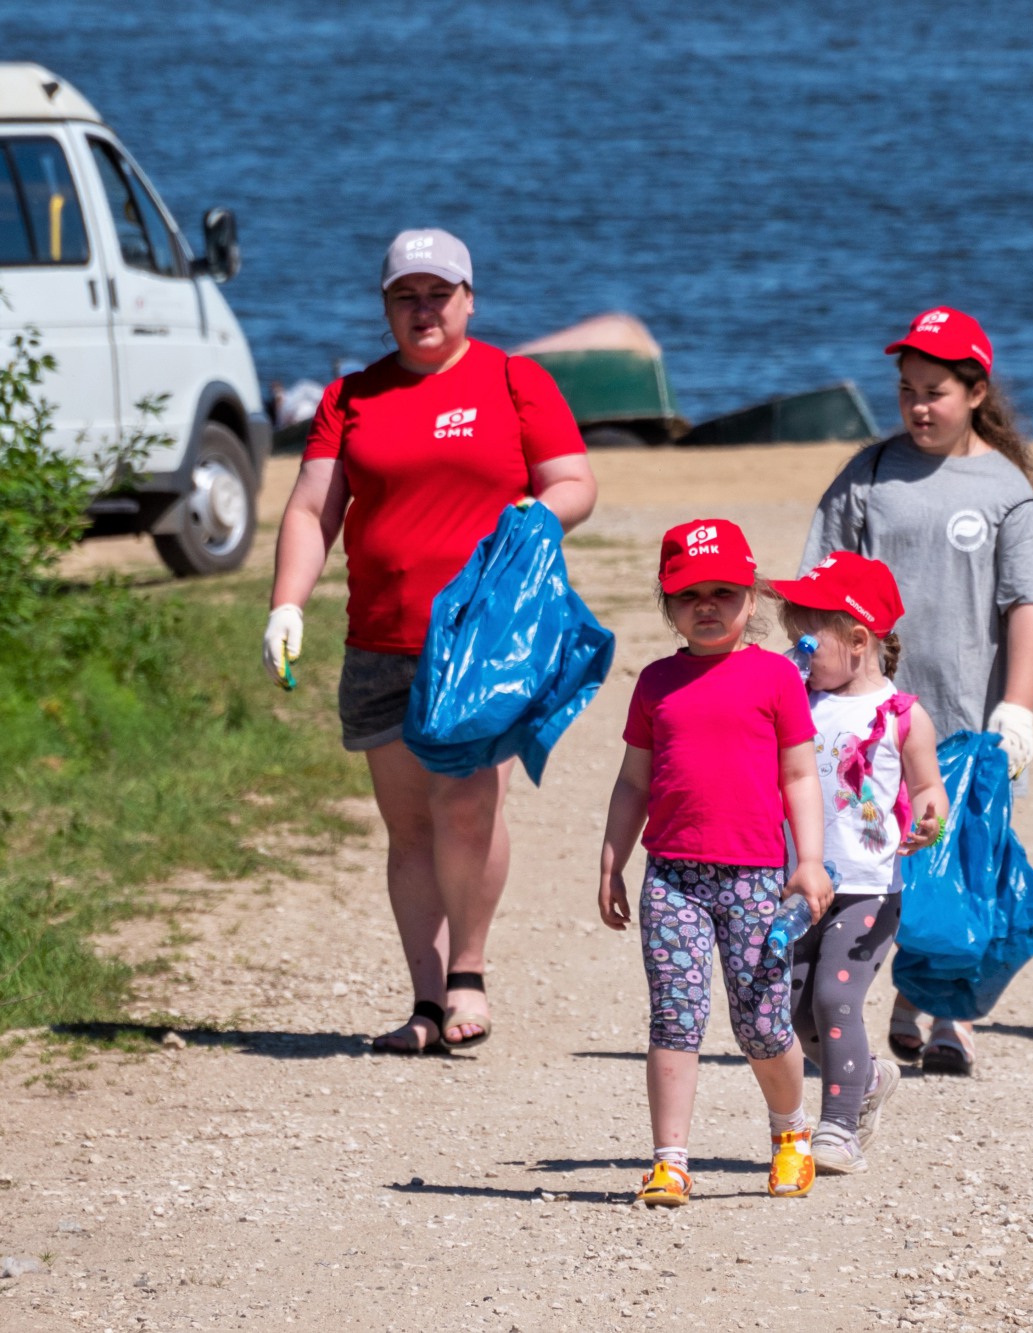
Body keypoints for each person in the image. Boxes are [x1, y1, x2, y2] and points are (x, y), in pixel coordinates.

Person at [263, 228, 597, 1054]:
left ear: (469, 300)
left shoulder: (514, 381)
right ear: (385, 307)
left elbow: (574, 480)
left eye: (439, 294)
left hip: (483, 641)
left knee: (468, 807)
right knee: (409, 825)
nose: (423, 309)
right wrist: (287, 604)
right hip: (381, 636)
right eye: (405, 296)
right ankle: (424, 994)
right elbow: (313, 509)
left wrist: (538, 514)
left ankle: (469, 975)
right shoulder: (351, 397)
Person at [802, 307, 1033, 1076]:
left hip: (965, 722)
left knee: (956, 867)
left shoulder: (1007, 490)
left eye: (936, 390)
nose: (918, 406)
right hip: (870, 720)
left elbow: (1029, 605)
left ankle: (947, 1015)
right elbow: (817, 593)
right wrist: (803, 675)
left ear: (976, 391)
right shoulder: (870, 476)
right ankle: (861, 1003)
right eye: (908, 389)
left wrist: (1017, 708)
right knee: (879, 864)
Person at [598, 519, 834, 1206]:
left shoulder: (775, 679)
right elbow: (633, 781)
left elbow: (799, 777)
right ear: (668, 604)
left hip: (756, 876)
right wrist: (613, 861)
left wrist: (810, 861)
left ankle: (792, 1135)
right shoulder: (656, 683)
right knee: (674, 1016)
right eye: (688, 593)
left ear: (752, 601)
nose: (707, 605)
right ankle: (669, 1161)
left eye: (724, 591)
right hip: (672, 875)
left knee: (762, 1022)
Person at [770, 553, 948, 1174]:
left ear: (857, 640)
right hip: (798, 884)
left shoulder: (901, 715)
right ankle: (868, 1078)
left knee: (834, 1000)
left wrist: (932, 817)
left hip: (868, 889)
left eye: (807, 638)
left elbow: (927, 787)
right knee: (790, 1011)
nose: (797, 651)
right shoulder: (795, 702)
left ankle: (839, 1129)